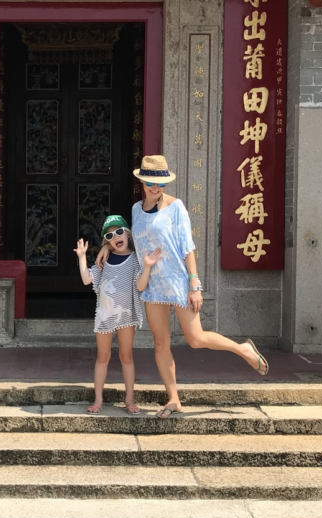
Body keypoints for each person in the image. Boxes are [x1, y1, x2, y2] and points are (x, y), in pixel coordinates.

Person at [98, 155, 269, 418]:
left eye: (161, 184)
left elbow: (187, 248)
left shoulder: (176, 207)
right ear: (142, 182)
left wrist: (194, 284)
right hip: (152, 285)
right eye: (151, 183)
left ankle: (242, 349)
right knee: (160, 343)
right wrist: (105, 250)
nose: (156, 188)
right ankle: (173, 398)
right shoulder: (135, 210)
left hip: (177, 282)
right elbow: (133, 243)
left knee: (195, 338)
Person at [74, 215, 161, 415]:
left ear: (128, 233)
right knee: (102, 357)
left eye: (120, 231)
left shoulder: (135, 258)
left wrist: (147, 266)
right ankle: (98, 399)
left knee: (126, 356)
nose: (116, 237)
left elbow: (140, 285)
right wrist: (81, 257)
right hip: (105, 316)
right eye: (110, 235)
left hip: (126, 315)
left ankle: (129, 399)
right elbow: (87, 279)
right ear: (106, 240)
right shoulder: (103, 260)